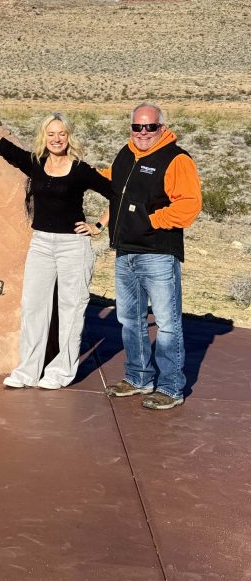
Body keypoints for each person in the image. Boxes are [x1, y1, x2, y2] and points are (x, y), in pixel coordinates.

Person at [0, 106, 112, 389]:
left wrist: (99, 226)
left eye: (61, 134)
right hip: (41, 243)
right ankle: (27, 371)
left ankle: (60, 373)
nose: (56, 139)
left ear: (69, 137)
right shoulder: (36, 163)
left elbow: (116, 194)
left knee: (70, 310)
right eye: (51, 134)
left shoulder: (81, 170)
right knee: (34, 308)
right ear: (44, 136)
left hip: (73, 247)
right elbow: (8, 151)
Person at [101, 103, 201, 410]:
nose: (143, 133)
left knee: (167, 323)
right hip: (125, 253)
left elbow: (189, 205)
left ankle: (170, 387)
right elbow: (112, 187)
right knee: (130, 320)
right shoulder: (125, 155)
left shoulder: (176, 159)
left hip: (157, 254)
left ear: (161, 127)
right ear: (130, 127)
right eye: (137, 127)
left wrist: (151, 221)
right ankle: (138, 378)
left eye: (150, 127)